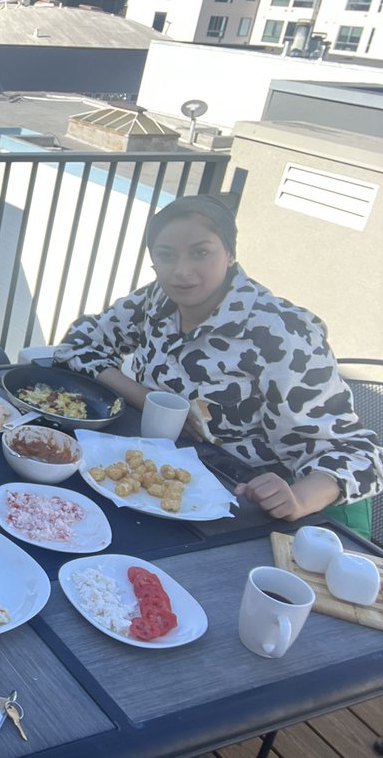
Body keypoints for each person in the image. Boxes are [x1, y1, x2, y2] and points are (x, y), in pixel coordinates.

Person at [54, 194, 382, 536]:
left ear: (230, 253)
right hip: (167, 484)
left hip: (261, 514)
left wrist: (297, 499)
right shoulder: (159, 298)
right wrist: (146, 397)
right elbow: (80, 343)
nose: (182, 271)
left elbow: (359, 454)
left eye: (201, 252)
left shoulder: (281, 332)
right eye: (167, 255)